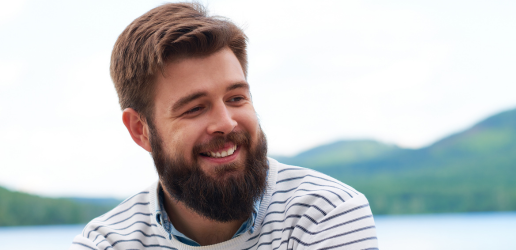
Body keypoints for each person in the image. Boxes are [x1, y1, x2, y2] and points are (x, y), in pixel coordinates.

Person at [69, 2, 377, 250]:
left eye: (236, 98)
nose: (226, 123)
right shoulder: (105, 242)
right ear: (141, 130)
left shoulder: (325, 213)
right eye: (195, 108)